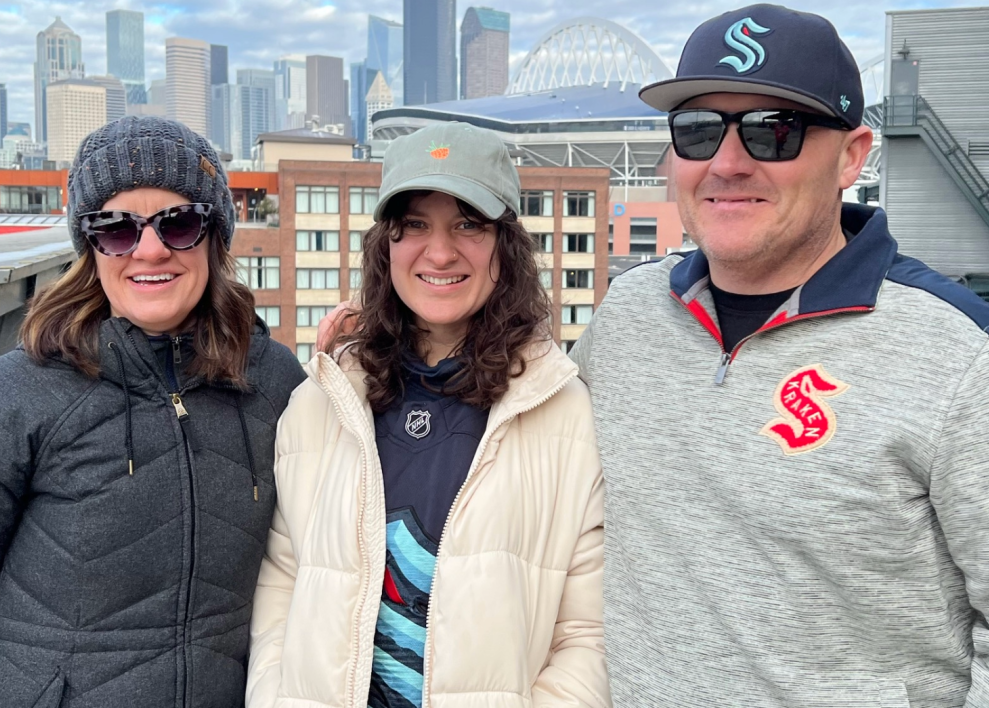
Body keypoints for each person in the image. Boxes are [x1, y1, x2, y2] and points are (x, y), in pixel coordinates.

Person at [571, 3, 989, 707]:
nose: (725, 162)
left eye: (771, 131)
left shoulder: (971, 361)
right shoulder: (626, 317)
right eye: (696, 130)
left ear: (851, 155)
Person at [247, 122, 609, 708]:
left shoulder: (563, 412)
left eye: (468, 224)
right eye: (414, 225)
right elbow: (281, 591)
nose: (439, 252)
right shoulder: (321, 402)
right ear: (385, 244)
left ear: (505, 246)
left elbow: (586, 636)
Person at [0, 116, 306, 708]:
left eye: (179, 223)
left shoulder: (274, 381)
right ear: (89, 247)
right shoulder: (25, 387)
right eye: (115, 229)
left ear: (215, 236)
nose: (149, 249)